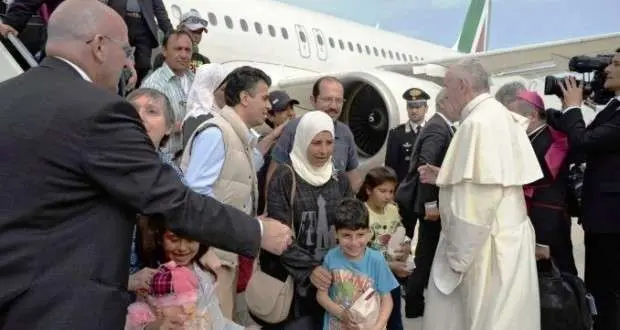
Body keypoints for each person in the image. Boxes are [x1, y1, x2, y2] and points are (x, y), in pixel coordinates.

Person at [0, 1, 291, 328]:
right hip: (62, 308)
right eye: (125, 50)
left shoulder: (7, 96)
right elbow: (170, 200)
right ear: (98, 46)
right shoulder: (100, 110)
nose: (128, 62)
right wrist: (257, 230)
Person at [418, 58, 543, 330]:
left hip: (485, 247)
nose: (445, 93)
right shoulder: (496, 114)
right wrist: (445, 176)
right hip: (505, 237)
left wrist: (456, 259)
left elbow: (474, 203)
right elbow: (485, 178)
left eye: (447, 85)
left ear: (462, 85)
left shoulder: (478, 123)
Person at [256, 110, 354, 329]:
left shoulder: (339, 179)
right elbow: (278, 236)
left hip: (334, 280)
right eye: (316, 143)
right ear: (302, 141)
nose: (324, 150)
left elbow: (351, 226)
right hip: (294, 285)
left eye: (329, 143)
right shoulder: (285, 177)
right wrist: (310, 269)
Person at [546, 50, 620, 330]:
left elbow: (584, 142)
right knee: (599, 291)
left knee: (609, 292)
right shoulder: (613, 107)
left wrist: (573, 107)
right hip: (602, 218)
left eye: (615, 65)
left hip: (613, 220)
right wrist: (556, 111)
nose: (607, 70)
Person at [402, 88, 459, 319]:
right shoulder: (438, 127)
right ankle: (414, 303)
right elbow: (426, 168)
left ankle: (416, 301)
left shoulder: (441, 125)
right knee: (426, 254)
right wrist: (431, 206)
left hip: (428, 200)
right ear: (445, 102)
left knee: (426, 252)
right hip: (429, 203)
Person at [509, 89, 577, 275]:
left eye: (513, 118)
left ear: (531, 116)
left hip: (548, 226)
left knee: (559, 282)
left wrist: (543, 239)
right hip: (532, 221)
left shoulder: (551, 142)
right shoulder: (531, 138)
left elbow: (550, 193)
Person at [316, 198, 399, 330]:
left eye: (360, 234)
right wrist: (341, 314)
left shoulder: (376, 260)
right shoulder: (331, 257)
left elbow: (387, 300)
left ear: (369, 233)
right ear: (336, 234)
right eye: (346, 235)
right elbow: (321, 295)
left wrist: (378, 326)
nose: (354, 243)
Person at [357, 166, 411, 330]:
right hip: (369, 280)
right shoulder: (361, 213)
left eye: (391, 191)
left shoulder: (393, 209)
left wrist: (406, 247)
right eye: (382, 191)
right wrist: (390, 266)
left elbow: (400, 232)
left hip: (391, 278)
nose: (388, 196)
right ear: (368, 190)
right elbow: (359, 252)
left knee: (394, 320)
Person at [385, 87, 429, 182]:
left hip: (427, 191)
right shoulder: (396, 134)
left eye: (417, 107)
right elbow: (390, 168)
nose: (414, 111)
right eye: (410, 107)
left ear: (426, 108)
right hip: (404, 190)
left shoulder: (433, 132)